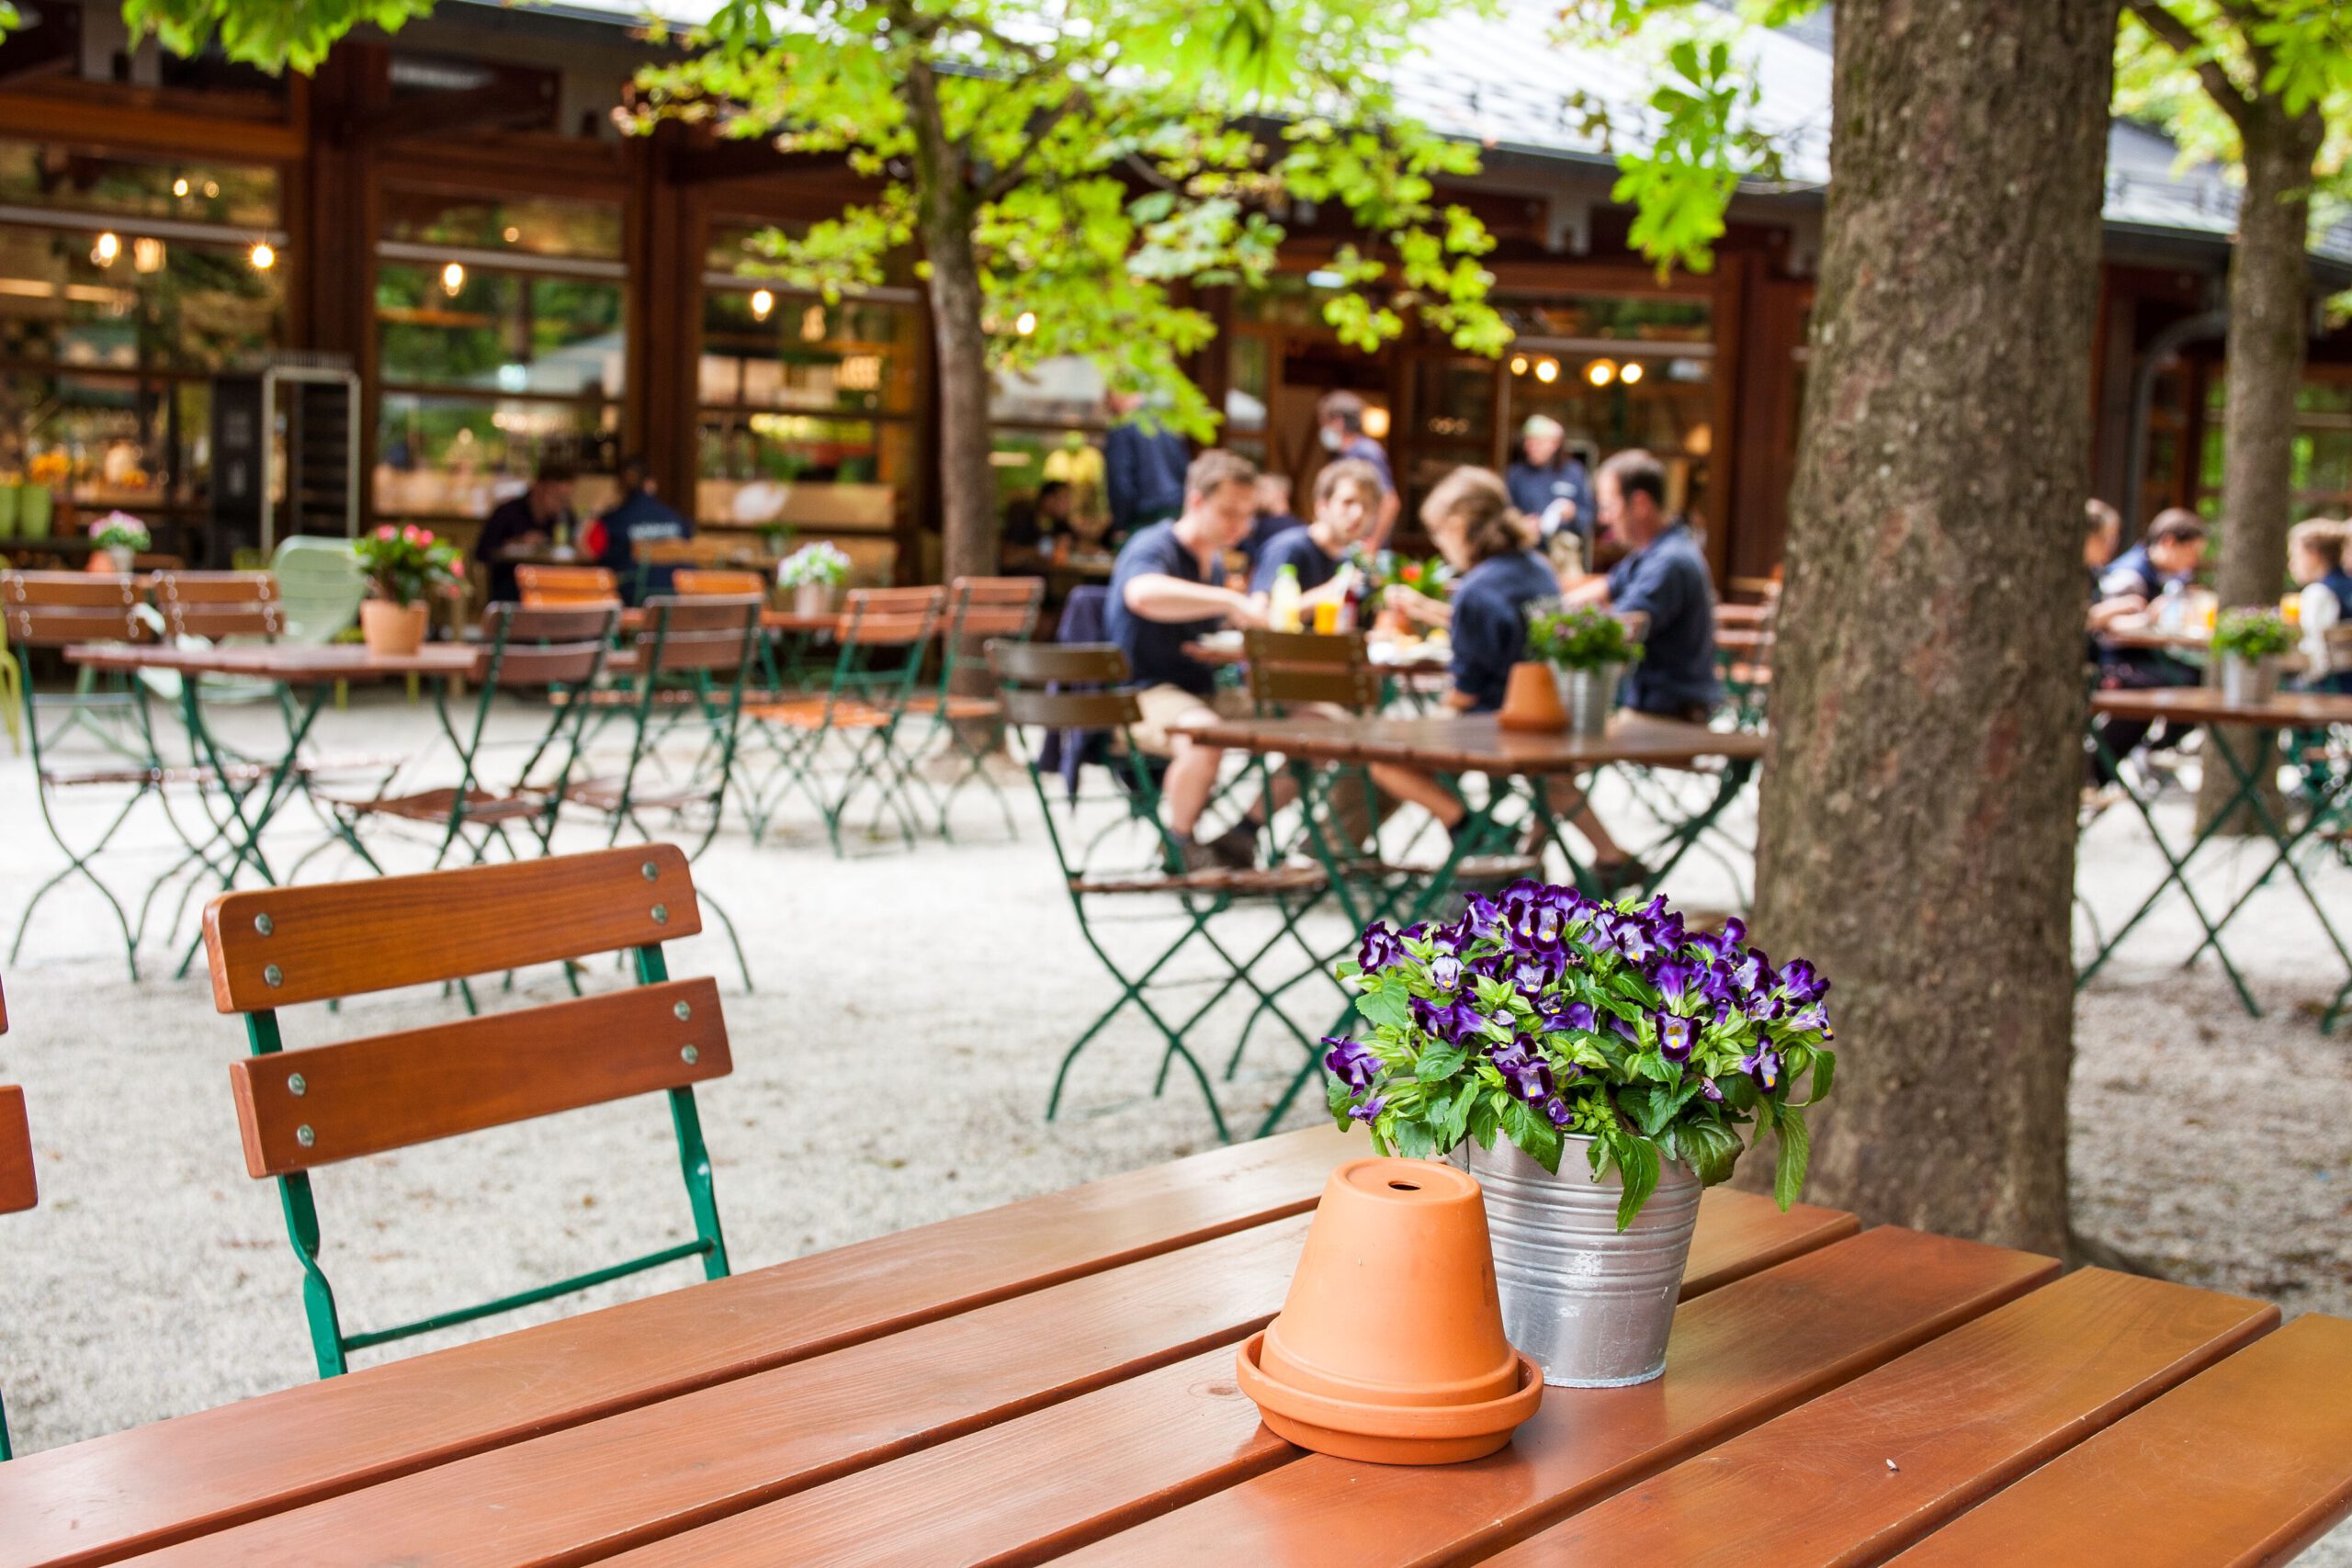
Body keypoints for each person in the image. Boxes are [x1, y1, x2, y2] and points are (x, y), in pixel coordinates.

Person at [1105, 448, 1270, 870]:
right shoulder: (1154, 545)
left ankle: (1243, 833)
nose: (1240, 526)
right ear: (1196, 500)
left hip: (1201, 687)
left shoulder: (1213, 561)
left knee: (1316, 723)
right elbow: (1141, 595)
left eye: (1247, 514)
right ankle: (1178, 845)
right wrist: (1229, 599)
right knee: (1204, 735)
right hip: (1140, 693)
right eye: (1229, 512)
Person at [1561, 448, 1721, 721]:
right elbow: (1607, 587)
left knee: (1572, 736)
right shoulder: (1654, 550)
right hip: (1654, 704)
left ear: (1641, 504)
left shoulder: (1669, 562)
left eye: (1610, 506)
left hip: (1668, 714)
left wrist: (1558, 629)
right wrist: (1555, 606)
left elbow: (1618, 630)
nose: (1603, 518)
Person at [2090, 508, 2208, 785]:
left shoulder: (2165, 575)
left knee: (2192, 680)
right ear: (2168, 542)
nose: (2194, 562)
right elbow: (2108, 627)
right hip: (2116, 663)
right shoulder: (2130, 575)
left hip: (2141, 661)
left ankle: (2143, 754)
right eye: (2191, 552)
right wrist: (2148, 618)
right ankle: (2122, 763)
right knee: (2182, 683)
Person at [1250, 460, 1382, 604]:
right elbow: (1260, 612)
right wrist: (1336, 588)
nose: (1358, 514)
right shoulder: (1287, 548)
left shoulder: (1353, 560)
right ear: (1322, 505)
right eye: (1348, 502)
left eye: (1367, 506)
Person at [581, 455, 691, 604]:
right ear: (650, 484)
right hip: (675, 601)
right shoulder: (676, 519)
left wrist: (594, 512)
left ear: (620, 486)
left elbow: (584, 553)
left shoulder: (613, 520)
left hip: (631, 601)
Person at [473, 460, 578, 604]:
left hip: (552, 588)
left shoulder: (565, 517)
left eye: (565, 499)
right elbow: (482, 552)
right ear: (539, 488)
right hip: (512, 591)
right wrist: (516, 542)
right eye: (557, 497)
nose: (561, 504)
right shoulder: (507, 512)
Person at [1505, 414, 1593, 574]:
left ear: (1555, 444)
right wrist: (1521, 524)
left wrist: (1572, 513)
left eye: (1537, 442)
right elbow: (1505, 515)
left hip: (1565, 556)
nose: (1530, 447)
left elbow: (1588, 517)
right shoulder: (1516, 475)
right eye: (1528, 442)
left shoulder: (1573, 473)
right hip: (1528, 553)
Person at [1102, 391, 1191, 545]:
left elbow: (1121, 481)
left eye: (1108, 397)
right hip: (1175, 512)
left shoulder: (1122, 426)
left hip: (1142, 519)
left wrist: (1120, 524)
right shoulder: (1165, 421)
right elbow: (1184, 469)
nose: (1106, 404)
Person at [1317, 390, 1399, 547]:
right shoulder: (1346, 454)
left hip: (1364, 545)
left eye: (1324, 423)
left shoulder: (1365, 452)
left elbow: (1390, 501)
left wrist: (1373, 542)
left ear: (1338, 421)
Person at [2290, 517, 2352, 694]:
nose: (2291, 564)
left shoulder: (2318, 593)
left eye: (2294, 555)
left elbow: (2317, 661)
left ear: (2313, 555)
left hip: (2335, 691)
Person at [1241, 472, 1304, 571]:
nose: (1258, 495)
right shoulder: (1257, 522)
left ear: (1282, 493)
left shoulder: (1295, 527)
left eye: (1263, 490)